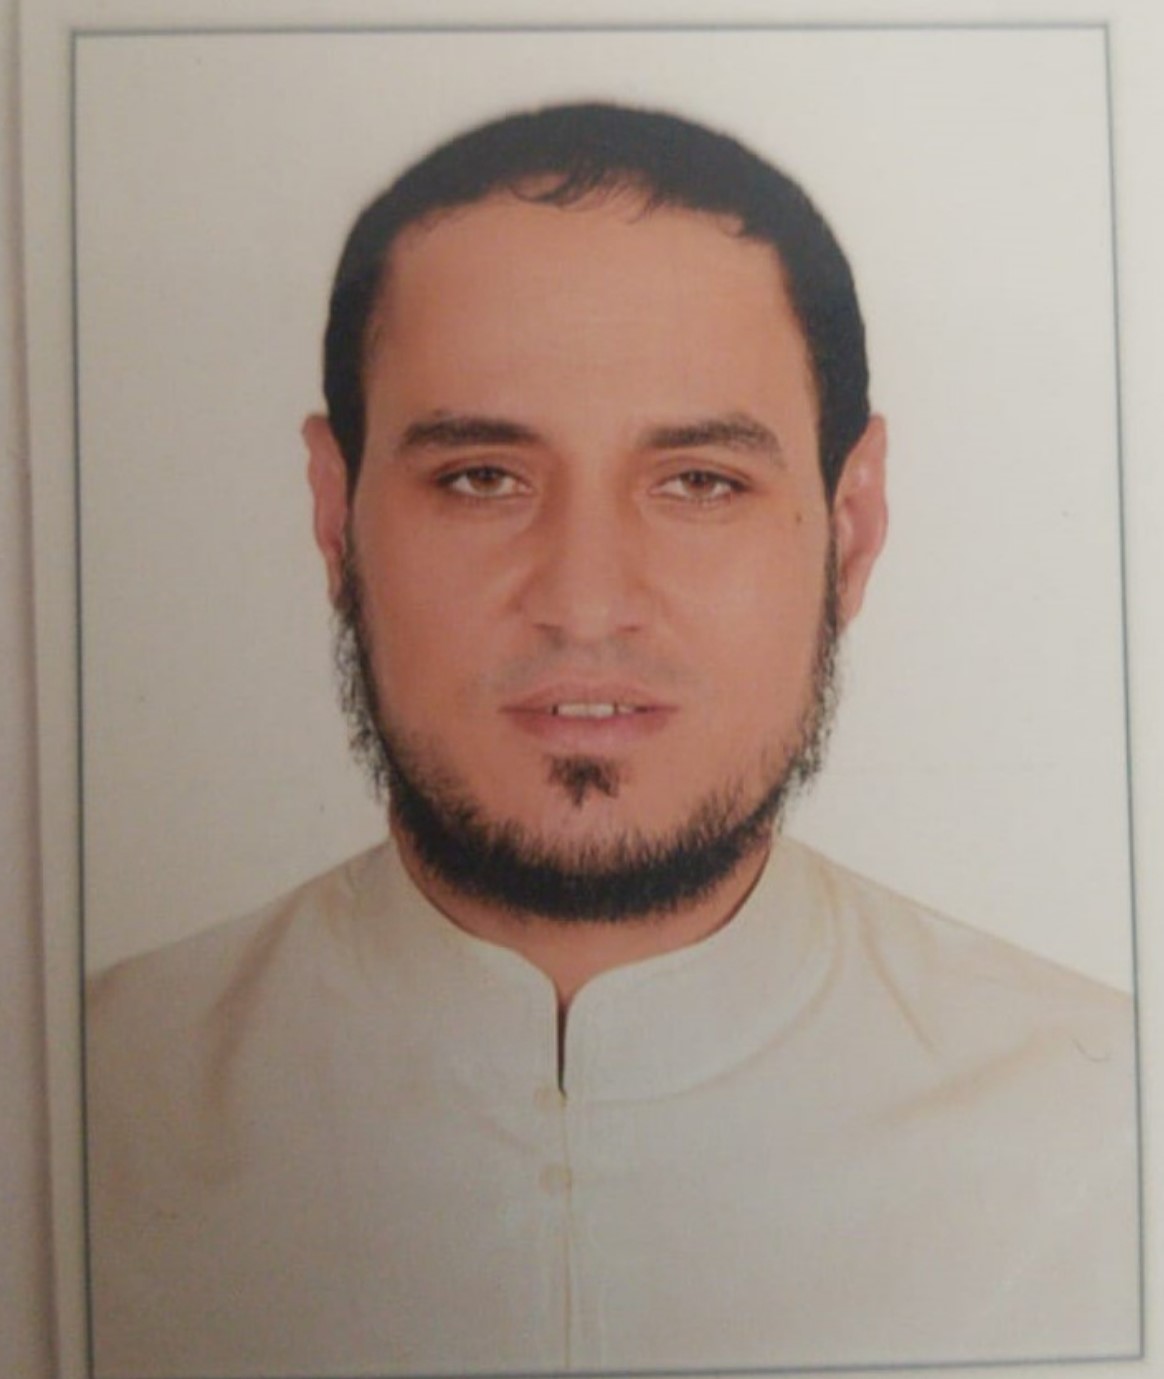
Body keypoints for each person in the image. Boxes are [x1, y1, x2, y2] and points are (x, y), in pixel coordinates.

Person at [87, 102, 1139, 1379]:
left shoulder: (1108, 1138)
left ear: (852, 528)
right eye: (482, 476)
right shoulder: (72, 1117)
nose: (585, 603)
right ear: (334, 517)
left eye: (699, 481)